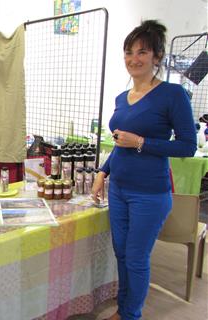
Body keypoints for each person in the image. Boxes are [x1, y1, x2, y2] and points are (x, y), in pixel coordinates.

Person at [91, 20, 196, 320]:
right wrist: (102, 172)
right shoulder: (120, 99)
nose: (133, 59)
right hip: (119, 190)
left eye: (142, 51)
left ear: (157, 57)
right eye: (128, 52)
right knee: (122, 256)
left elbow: (187, 146)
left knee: (136, 259)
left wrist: (141, 141)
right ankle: (124, 310)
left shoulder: (173, 95)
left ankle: (131, 315)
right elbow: (119, 143)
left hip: (149, 194)